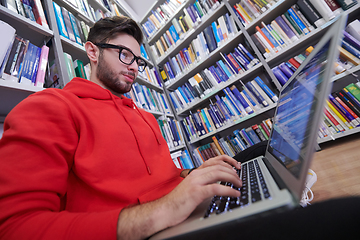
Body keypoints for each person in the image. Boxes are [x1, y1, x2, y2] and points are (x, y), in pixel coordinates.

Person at [0, 16, 242, 240]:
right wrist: (165, 210)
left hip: (191, 213)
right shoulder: (51, 107)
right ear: (92, 51)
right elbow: (15, 227)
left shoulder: (146, 116)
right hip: (147, 230)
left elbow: (166, 175)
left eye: (138, 60)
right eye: (125, 55)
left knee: (255, 164)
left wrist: (193, 175)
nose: (134, 67)